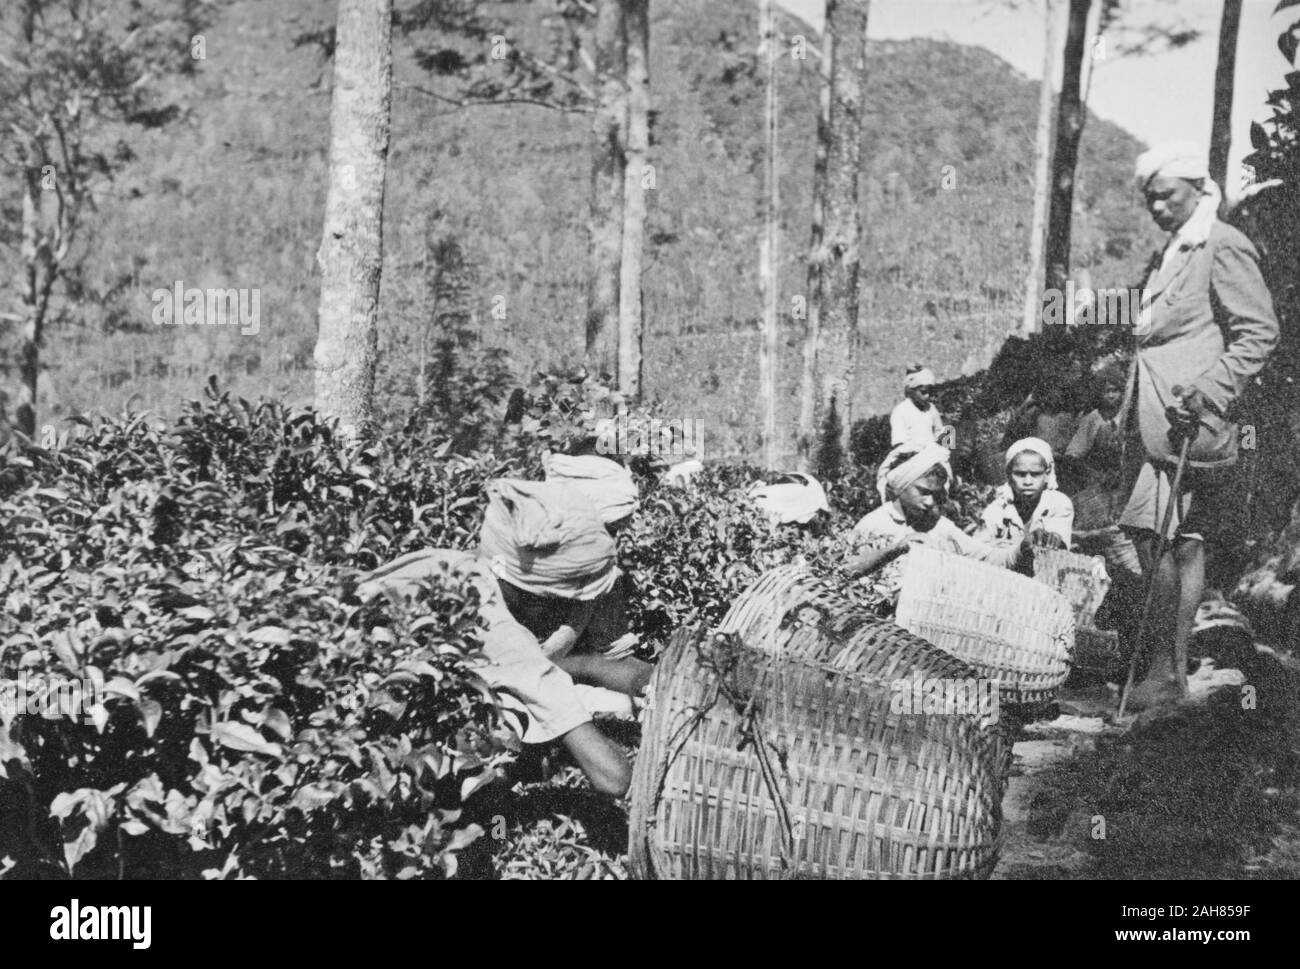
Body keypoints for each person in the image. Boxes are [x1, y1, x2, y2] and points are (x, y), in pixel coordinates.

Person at [356, 479, 652, 797]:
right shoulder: (501, 632)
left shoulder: (454, 562)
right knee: (496, 780)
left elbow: (608, 657)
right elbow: (615, 778)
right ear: (532, 589)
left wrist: (649, 680)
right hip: (370, 744)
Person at [1118, 141, 1279, 709]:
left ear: (1196, 188)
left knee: (1159, 535)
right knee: (1173, 539)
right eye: (1150, 199)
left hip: (1190, 418)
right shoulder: (1178, 248)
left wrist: (1208, 392)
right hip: (1157, 418)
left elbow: (1258, 332)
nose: (1156, 207)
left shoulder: (1223, 245)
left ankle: (1164, 671)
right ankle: (1167, 671)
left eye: (1166, 196)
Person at [849, 442, 1032, 582]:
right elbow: (847, 570)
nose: (929, 502)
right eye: (923, 492)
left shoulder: (939, 526)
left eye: (935, 494)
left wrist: (1021, 550)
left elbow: (985, 557)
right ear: (900, 487)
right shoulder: (873, 525)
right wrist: (894, 549)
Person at [974, 438, 1074, 569]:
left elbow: (1058, 536)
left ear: (1047, 474)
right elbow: (978, 554)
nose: (1028, 481)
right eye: (1020, 474)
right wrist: (1017, 549)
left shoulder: (1058, 504)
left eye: (1035, 474)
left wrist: (1053, 539)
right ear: (1008, 476)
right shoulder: (998, 509)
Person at [889, 366, 945, 448]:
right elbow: (899, 443)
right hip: (911, 456)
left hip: (932, 454)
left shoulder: (931, 408)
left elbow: (939, 431)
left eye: (930, 392)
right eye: (923, 392)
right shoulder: (900, 411)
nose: (927, 396)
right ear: (911, 391)